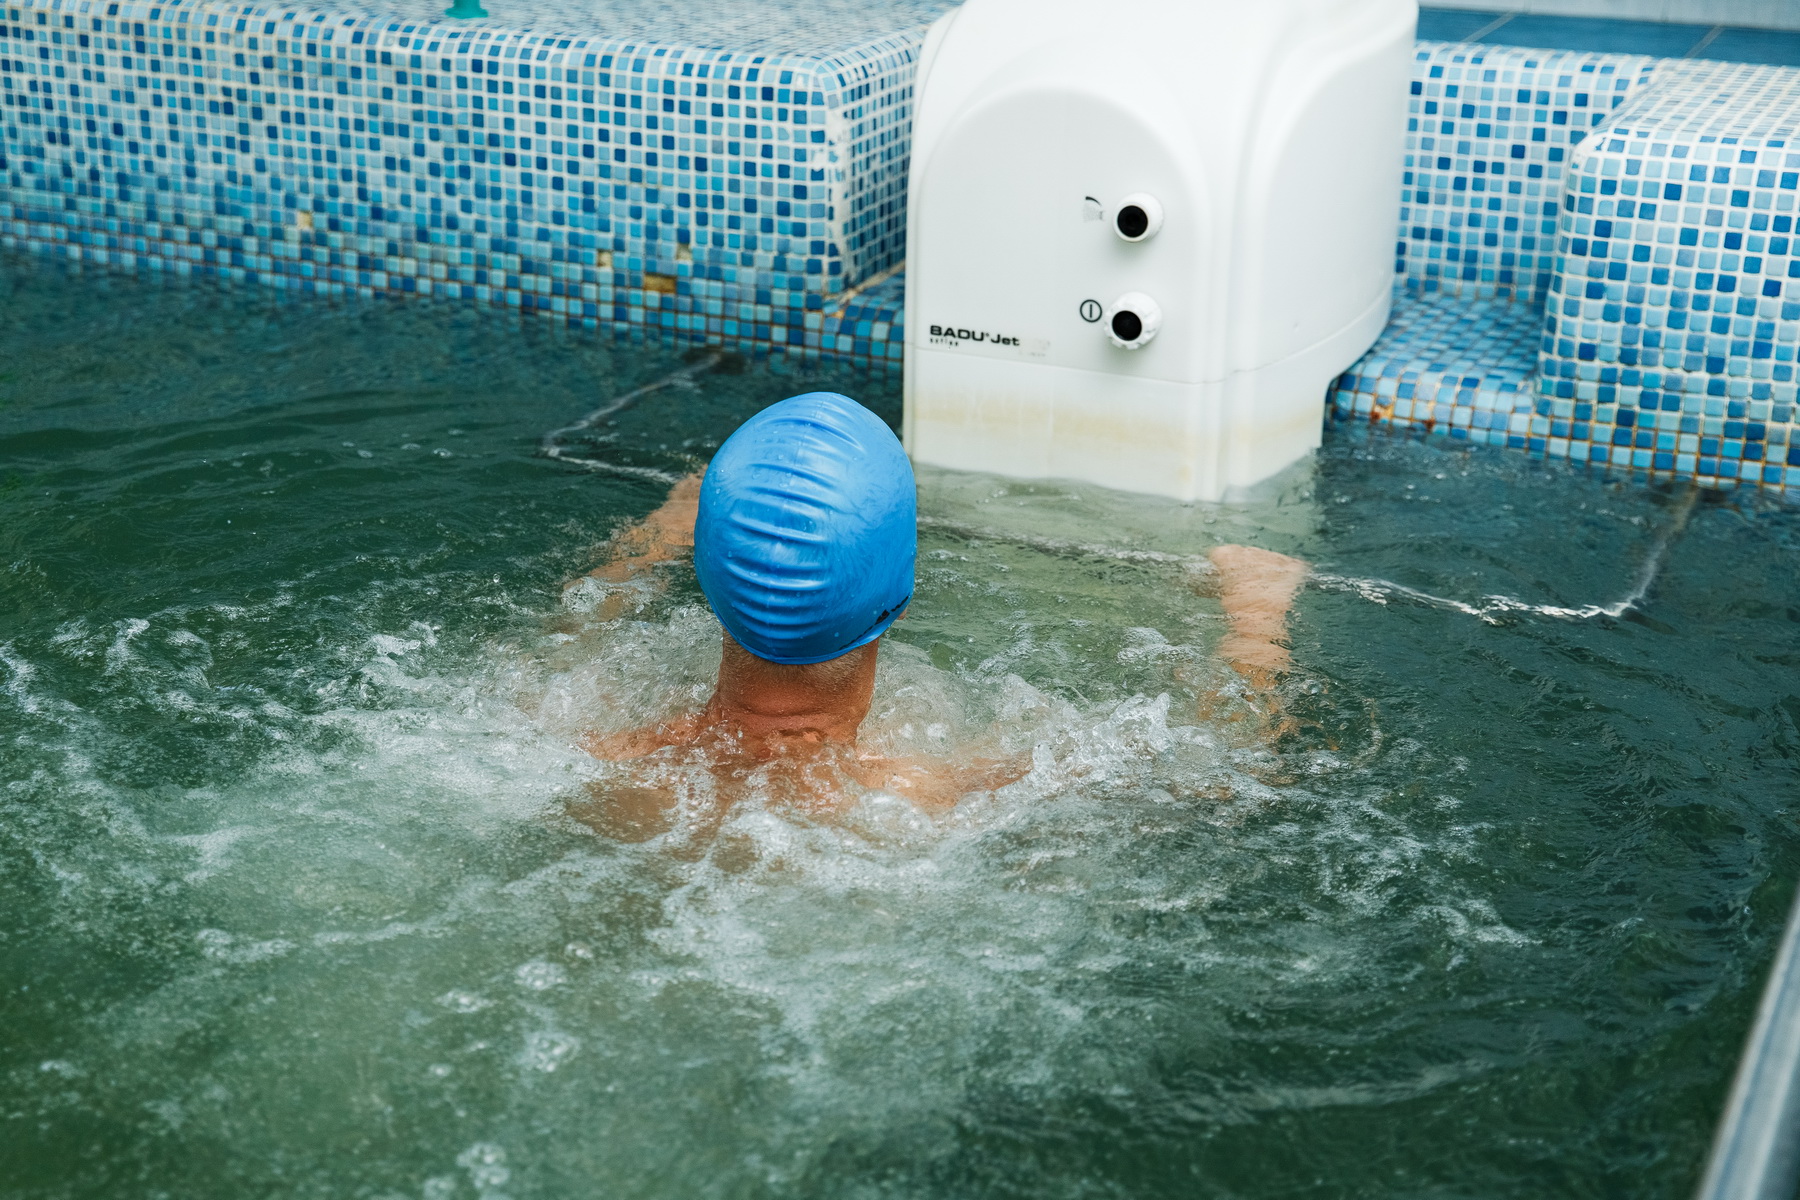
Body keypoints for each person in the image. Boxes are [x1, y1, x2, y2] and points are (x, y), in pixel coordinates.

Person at [572, 391, 1307, 823]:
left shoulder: (594, 755)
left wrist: (651, 544)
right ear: (898, 591)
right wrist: (1257, 617)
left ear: (709, 578)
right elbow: (1226, 769)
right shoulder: (935, 796)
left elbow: (577, 622)